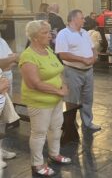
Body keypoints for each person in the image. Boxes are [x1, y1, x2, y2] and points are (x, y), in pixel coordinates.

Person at [19, 20, 71, 177]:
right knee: (39, 133)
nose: (50, 35)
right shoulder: (28, 56)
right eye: (45, 33)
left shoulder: (47, 49)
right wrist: (58, 91)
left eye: (49, 32)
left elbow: (57, 70)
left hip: (55, 100)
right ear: (35, 37)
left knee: (56, 128)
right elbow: (34, 83)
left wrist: (63, 85)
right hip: (39, 102)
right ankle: (37, 164)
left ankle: (54, 154)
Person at [55, 10, 100, 131]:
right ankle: (70, 125)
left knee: (88, 98)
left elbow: (92, 48)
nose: (84, 20)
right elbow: (63, 55)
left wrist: (94, 56)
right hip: (72, 71)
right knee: (71, 100)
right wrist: (82, 60)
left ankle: (87, 122)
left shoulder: (84, 32)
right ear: (73, 19)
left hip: (88, 71)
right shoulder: (63, 34)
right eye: (81, 18)